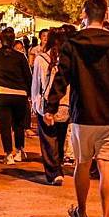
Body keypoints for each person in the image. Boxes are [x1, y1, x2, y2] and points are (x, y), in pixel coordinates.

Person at [45, 0, 109, 217]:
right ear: (105, 15)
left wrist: (50, 106)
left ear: (84, 14)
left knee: (82, 164)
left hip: (82, 114)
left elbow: (62, 77)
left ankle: (82, 211)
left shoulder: (72, 44)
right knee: (106, 164)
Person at [0, 27, 32, 164]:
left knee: (5, 126)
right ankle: (19, 151)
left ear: (0, 40)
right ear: (14, 41)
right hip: (20, 94)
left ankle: (8, 154)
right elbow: (28, 76)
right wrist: (29, 94)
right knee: (19, 124)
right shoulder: (20, 56)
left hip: (2, 93)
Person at [31, 28, 70, 185]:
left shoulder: (41, 59)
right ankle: (58, 165)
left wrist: (34, 103)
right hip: (65, 105)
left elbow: (36, 85)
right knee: (59, 139)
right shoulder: (68, 60)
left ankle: (54, 173)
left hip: (47, 104)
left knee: (48, 140)